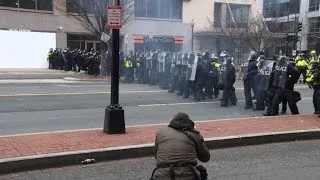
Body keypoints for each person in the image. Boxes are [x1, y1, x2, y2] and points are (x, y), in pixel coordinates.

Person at [150, 112, 210, 180]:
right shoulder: (194, 134)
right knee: (202, 171)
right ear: (189, 122)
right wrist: (201, 141)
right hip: (188, 175)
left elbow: (156, 155)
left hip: (161, 175)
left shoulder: (161, 132)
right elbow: (205, 158)